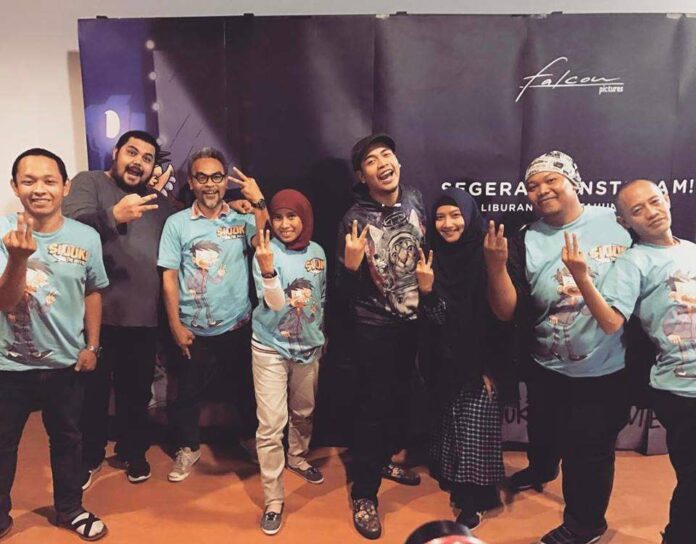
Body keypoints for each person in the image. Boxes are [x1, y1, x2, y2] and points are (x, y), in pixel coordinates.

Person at [484, 151, 632, 544]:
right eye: (532, 185)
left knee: (589, 451)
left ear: (574, 182)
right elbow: (506, 311)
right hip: (545, 364)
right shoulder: (526, 238)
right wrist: (496, 266)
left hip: (605, 369)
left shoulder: (617, 222)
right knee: (544, 429)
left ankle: (586, 524)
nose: (541, 190)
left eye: (551, 180)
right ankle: (542, 468)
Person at [560, 179, 696, 544]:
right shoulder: (634, 262)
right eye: (637, 210)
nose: (651, 212)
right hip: (681, 389)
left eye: (654, 201)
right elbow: (610, 323)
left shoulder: (691, 250)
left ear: (667, 199)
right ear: (624, 222)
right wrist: (581, 278)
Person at [0, 149, 109, 540]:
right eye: (28, 180)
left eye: (49, 180)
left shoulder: (86, 237)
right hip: (8, 365)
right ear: (15, 187)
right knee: (3, 444)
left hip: (66, 363)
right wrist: (17, 259)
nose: (39, 189)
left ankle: (69, 509)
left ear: (65, 187)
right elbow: (5, 302)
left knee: (67, 440)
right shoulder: (3, 233)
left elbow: (93, 290)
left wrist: (92, 346)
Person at [63, 130, 175, 486]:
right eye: (132, 152)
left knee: (137, 393)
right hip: (94, 317)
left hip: (143, 317)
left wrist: (237, 207)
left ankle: (133, 451)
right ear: (116, 152)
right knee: (91, 394)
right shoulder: (90, 182)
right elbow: (68, 229)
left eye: (147, 158)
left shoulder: (158, 203)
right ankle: (90, 455)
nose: (138, 162)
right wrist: (114, 214)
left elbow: (189, 227)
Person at [158, 147, 269, 482]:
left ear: (225, 182)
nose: (210, 184)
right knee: (186, 394)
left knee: (245, 390)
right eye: (202, 177)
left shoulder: (241, 217)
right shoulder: (177, 224)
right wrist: (175, 325)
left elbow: (265, 241)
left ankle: (250, 439)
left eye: (217, 177)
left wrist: (259, 201)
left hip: (237, 325)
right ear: (191, 182)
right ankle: (188, 447)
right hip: (193, 330)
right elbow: (168, 277)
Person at [336, 133, 426, 539]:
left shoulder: (416, 200)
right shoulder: (353, 219)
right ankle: (364, 493)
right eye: (371, 161)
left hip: (416, 323)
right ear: (362, 175)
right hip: (374, 328)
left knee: (401, 400)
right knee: (373, 408)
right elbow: (341, 290)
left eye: (387, 155)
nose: (382, 163)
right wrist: (351, 266)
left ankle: (383, 460)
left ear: (398, 162)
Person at [417, 189, 511, 531]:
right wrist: (427, 291)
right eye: (440, 217)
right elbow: (437, 321)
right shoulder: (433, 256)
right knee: (450, 425)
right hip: (445, 361)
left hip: (482, 362)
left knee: (475, 428)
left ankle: (476, 500)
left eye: (455, 215)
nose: (447, 224)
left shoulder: (486, 255)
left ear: (470, 217)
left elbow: (502, 319)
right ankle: (455, 479)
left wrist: (486, 367)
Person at [251, 189, 327, 535]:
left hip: (308, 348)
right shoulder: (265, 251)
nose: (284, 224)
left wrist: (321, 335)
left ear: (304, 217)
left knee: (304, 411)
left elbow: (321, 298)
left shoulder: (318, 253)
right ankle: (273, 500)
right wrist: (268, 270)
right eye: (278, 217)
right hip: (270, 348)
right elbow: (277, 304)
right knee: (270, 426)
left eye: (291, 216)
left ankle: (297, 456)